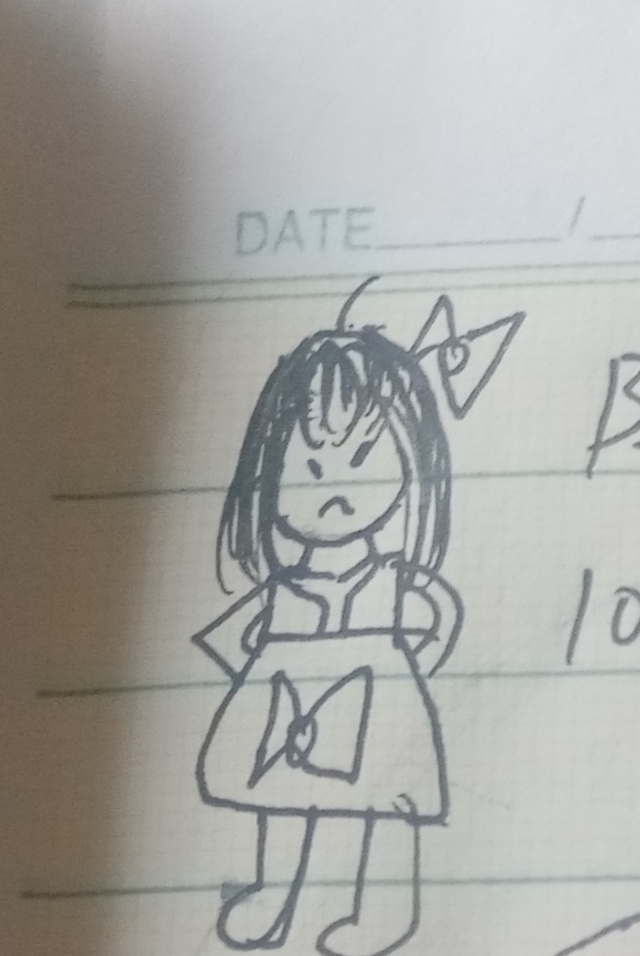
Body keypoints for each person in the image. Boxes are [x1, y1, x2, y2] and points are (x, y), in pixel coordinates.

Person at [192, 277, 463, 956]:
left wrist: (401, 670)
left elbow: (438, 619)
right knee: (279, 798)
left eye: (363, 460)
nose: (335, 488)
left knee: (386, 804)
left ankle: (385, 911)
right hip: (289, 698)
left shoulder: (393, 581)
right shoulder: (284, 586)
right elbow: (232, 638)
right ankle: (273, 895)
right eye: (309, 466)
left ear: (410, 465)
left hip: (376, 695)